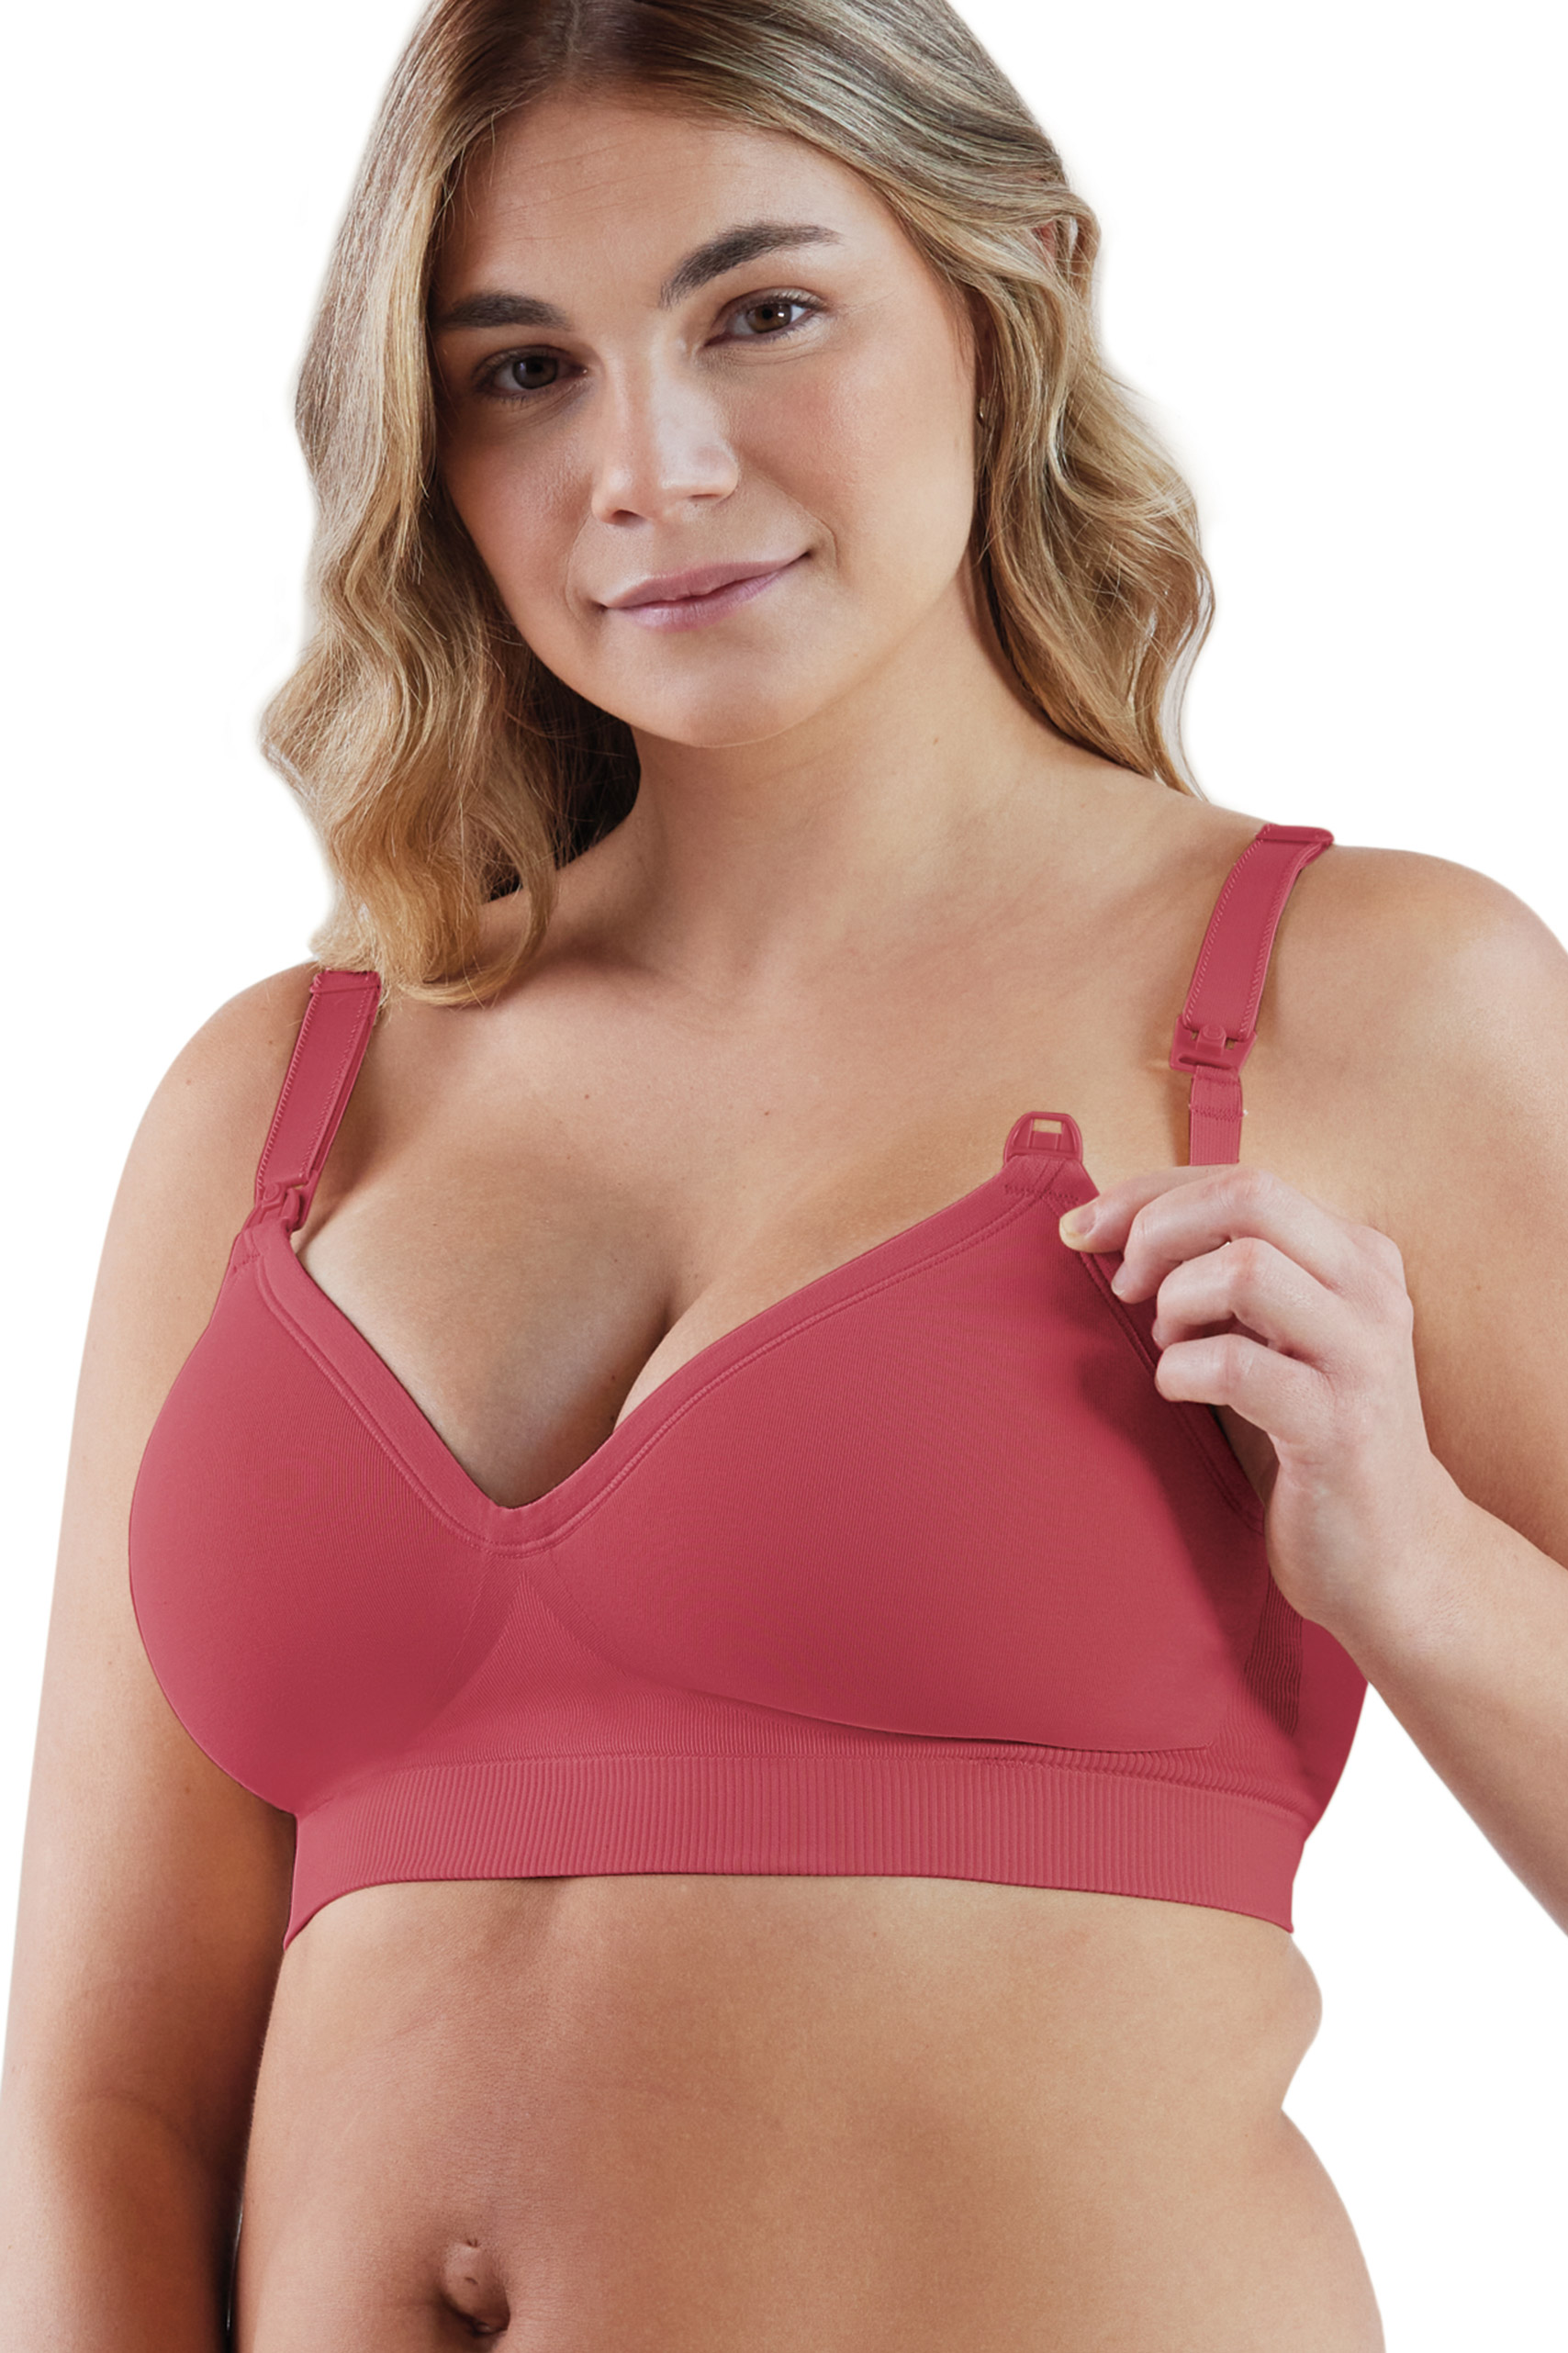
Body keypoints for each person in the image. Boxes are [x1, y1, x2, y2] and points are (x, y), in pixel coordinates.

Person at [3, 0, 1566, 2343]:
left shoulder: (1357, 1000)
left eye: (760, 313)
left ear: (1003, 290)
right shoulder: (278, 1105)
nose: (649, 464)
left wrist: (1415, 1565)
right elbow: (103, 2099)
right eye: (522, 371)